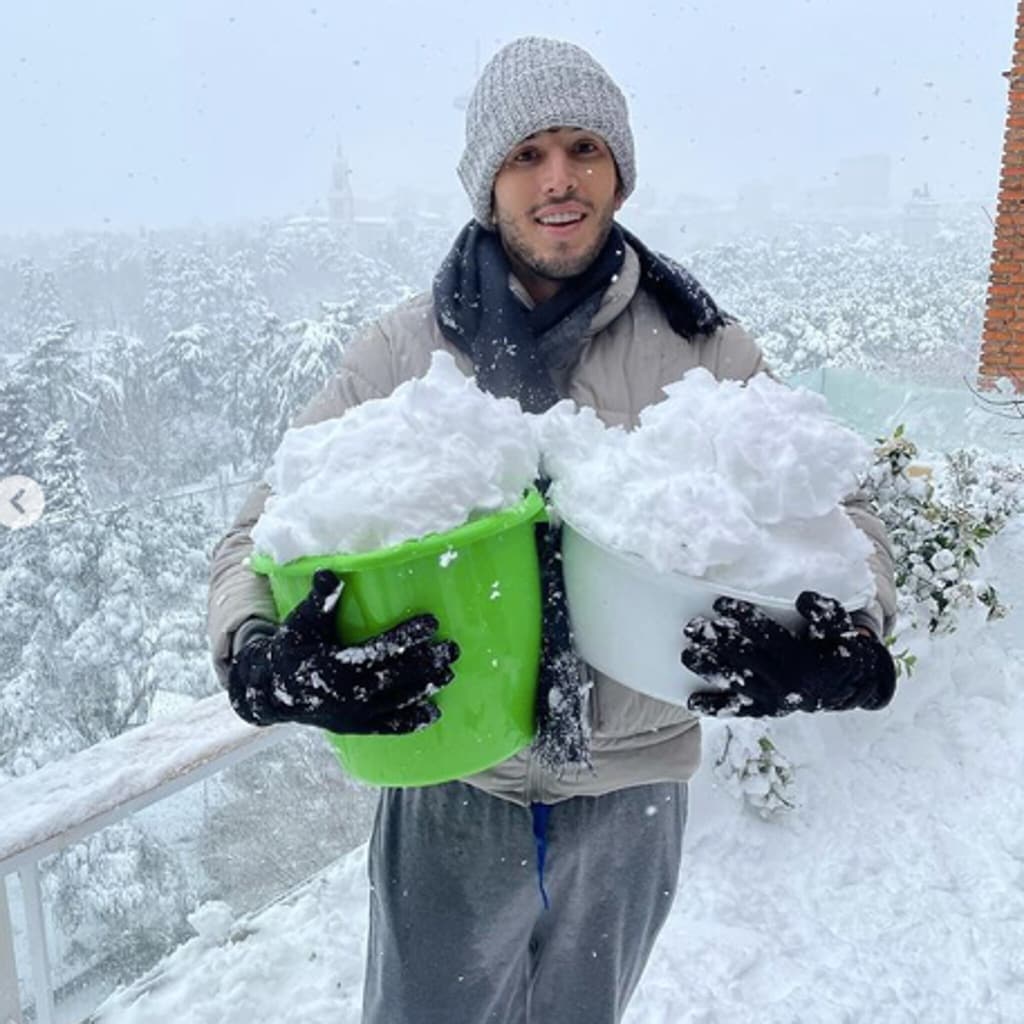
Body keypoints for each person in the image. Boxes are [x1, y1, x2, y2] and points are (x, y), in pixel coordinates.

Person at [207, 36, 897, 1024]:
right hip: (453, 781)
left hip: (634, 789)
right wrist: (260, 654)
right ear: (486, 181)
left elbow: (839, 515)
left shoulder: (701, 347)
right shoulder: (405, 352)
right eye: (527, 154)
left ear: (619, 168)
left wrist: (851, 643)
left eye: (582, 147)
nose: (559, 179)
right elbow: (257, 536)